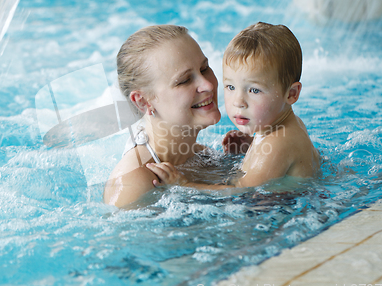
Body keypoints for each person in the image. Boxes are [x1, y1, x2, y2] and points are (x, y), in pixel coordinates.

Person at [146, 22, 320, 188]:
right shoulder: (287, 126)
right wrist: (252, 145)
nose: (238, 102)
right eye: (230, 87)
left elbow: (240, 191)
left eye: (254, 90)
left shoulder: (277, 144)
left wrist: (184, 184)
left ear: (291, 94)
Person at [103, 25, 223, 207]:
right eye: (184, 81)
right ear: (143, 102)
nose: (208, 85)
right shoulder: (134, 183)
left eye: (204, 68)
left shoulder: (201, 154)